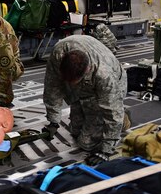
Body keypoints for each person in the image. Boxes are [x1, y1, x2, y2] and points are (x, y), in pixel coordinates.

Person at [43, 35, 127, 164]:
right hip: (82, 91)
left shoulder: (104, 75)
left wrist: (106, 151)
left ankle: (125, 120)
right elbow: (52, 87)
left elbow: (113, 112)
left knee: (86, 144)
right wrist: (53, 121)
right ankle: (92, 115)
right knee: (75, 132)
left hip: (110, 89)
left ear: (87, 70)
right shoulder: (58, 54)